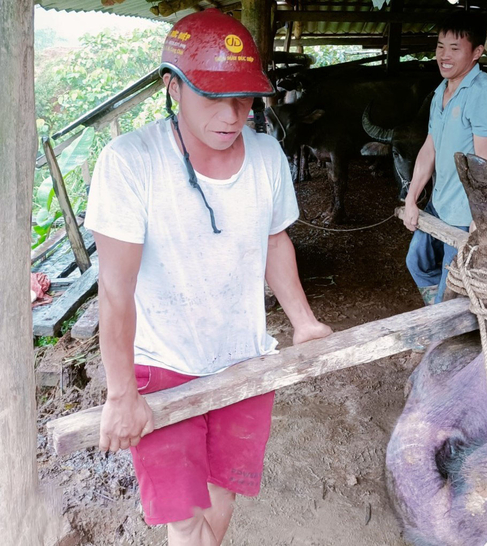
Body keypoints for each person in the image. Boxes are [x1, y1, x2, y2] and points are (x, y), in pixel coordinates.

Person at [84, 9, 331, 546]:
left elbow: (273, 241)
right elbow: (116, 289)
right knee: (183, 514)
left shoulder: (266, 157)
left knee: (222, 496)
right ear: (173, 88)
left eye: (244, 100)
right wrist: (121, 394)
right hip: (162, 365)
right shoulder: (131, 163)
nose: (232, 115)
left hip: (244, 357)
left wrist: (304, 322)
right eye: (214, 98)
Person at [402, 11, 487, 305]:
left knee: (453, 285)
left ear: (477, 53)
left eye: (454, 48)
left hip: (464, 216)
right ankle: (441, 309)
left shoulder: (484, 96)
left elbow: (485, 164)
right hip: (440, 203)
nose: (444, 56)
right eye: (440, 46)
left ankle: (446, 325)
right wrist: (412, 199)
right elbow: (430, 149)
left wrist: (479, 222)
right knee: (418, 263)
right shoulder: (442, 92)